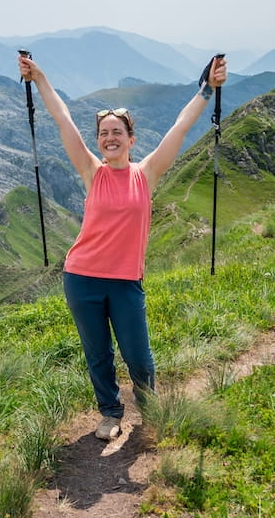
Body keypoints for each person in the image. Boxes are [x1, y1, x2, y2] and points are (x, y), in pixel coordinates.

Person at [18, 52, 228, 441]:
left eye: (117, 132)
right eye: (104, 133)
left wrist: (207, 90)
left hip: (125, 281)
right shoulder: (90, 171)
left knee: (138, 354)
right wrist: (40, 78)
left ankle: (150, 410)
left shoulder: (145, 174)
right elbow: (62, 119)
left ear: (131, 140)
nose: (109, 138)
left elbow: (180, 129)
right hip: (81, 277)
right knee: (98, 353)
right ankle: (110, 413)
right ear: (98, 142)